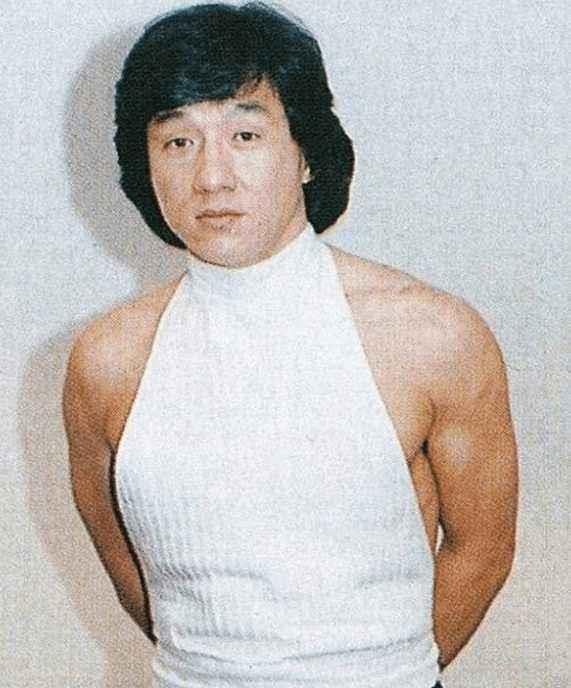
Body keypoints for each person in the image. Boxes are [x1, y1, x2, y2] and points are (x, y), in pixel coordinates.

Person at [63, 3, 518, 687]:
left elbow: (481, 552)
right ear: (146, 166)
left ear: (306, 152)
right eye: (178, 142)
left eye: (245, 135)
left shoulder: (432, 337)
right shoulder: (107, 359)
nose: (211, 177)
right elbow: (125, 562)